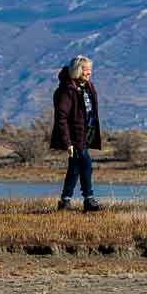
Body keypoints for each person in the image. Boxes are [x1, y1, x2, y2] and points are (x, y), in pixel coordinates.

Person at [49, 55, 103, 211]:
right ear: (78, 71)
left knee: (75, 168)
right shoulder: (66, 91)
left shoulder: (87, 87)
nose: (89, 73)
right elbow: (61, 118)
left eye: (90, 70)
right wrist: (67, 143)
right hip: (75, 138)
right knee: (86, 164)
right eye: (86, 70)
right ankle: (89, 199)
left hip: (87, 134)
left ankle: (65, 201)